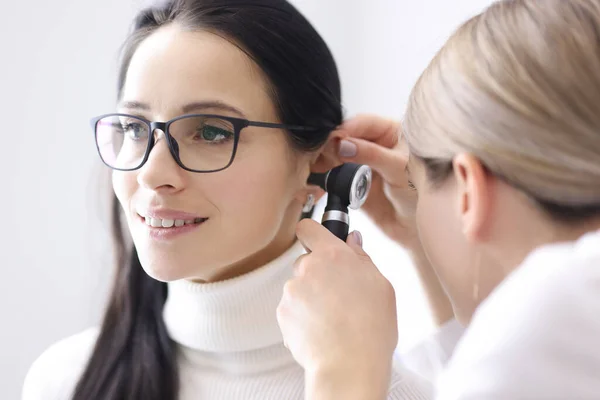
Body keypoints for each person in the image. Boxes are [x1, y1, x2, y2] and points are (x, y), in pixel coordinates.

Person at [22, 1, 433, 399]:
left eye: (211, 132)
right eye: (134, 128)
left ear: (320, 161)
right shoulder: (65, 380)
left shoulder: (387, 393)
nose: (151, 173)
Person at [277, 0, 600, 398]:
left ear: (469, 189)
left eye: (416, 183)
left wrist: (343, 365)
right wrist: (418, 241)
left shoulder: (551, 309)